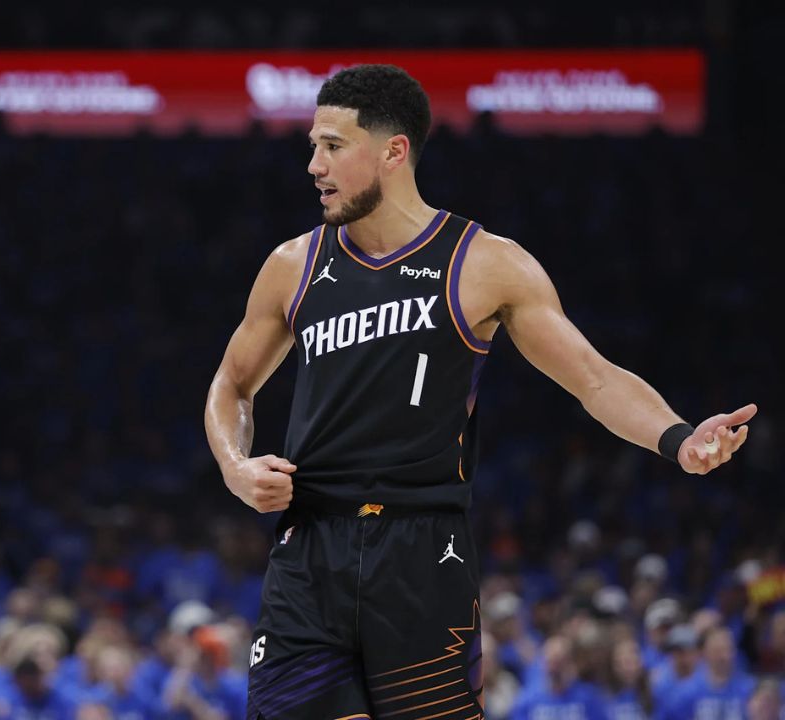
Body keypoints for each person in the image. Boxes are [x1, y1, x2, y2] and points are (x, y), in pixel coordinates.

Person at [203, 63, 756, 719]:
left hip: (422, 553)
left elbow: (593, 377)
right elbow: (232, 384)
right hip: (309, 550)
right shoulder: (292, 266)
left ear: (393, 151)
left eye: (332, 146)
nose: (313, 166)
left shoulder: (484, 263)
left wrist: (676, 437)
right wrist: (235, 467)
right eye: (313, 145)